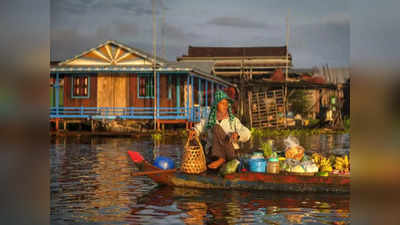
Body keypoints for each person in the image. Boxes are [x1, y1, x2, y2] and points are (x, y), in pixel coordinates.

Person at [188, 90, 251, 169]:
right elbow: (198, 128)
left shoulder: (233, 120)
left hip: (230, 153)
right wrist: (194, 131)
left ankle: (222, 159)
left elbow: (247, 133)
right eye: (222, 103)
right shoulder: (209, 119)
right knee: (214, 128)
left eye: (226, 104)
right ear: (216, 104)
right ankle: (220, 159)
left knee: (216, 127)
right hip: (213, 155)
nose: (225, 106)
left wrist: (238, 135)